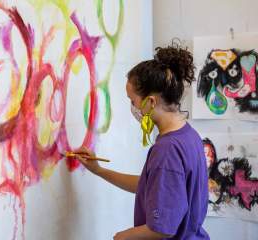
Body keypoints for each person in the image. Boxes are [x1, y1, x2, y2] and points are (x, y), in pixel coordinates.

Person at [69, 43, 210, 240]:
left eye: (133, 101)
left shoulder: (167, 150)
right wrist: (100, 170)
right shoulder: (188, 135)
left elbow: (162, 228)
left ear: (151, 102)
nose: (133, 108)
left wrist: (123, 236)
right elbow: (154, 186)